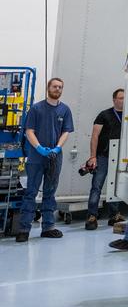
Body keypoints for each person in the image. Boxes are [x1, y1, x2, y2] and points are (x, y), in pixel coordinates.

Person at [16, 76, 73, 242]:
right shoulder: (36, 109)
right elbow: (29, 131)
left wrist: (57, 148)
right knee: (31, 192)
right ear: (48, 88)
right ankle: (24, 229)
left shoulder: (65, 110)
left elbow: (66, 132)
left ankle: (48, 227)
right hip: (36, 157)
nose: (57, 89)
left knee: (50, 192)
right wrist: (39, 148)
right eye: (55, 86)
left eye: (60, 87)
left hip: (55, 157)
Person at [84, 87, 124, 229]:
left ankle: (115, 215)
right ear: (114, 100)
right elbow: (94, 136)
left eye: (125, 98)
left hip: (120, 157)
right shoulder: (104, 115)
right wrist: (93, 156)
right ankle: (92, 216)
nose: (123, 100)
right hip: (103, 156)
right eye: (120, 98)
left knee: (117, 186)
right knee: (97, 186)